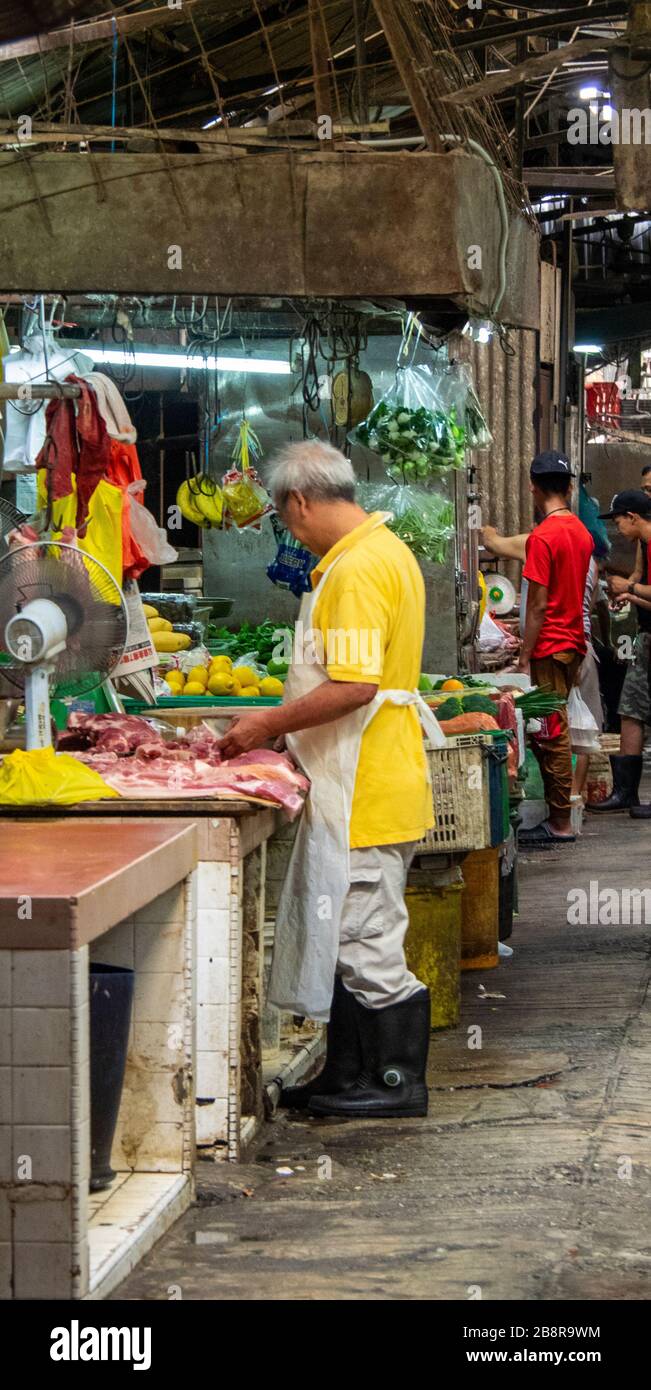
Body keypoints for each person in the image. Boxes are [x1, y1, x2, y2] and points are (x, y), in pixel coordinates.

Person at [217, 440, 438, 1119]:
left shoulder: (354, 571)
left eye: (286, 520)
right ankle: (346, 1076)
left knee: (364, 941)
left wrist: (267, 724)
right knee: (346, 936)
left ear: (299, 501)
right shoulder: (380, 550)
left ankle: (397, 1084)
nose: (293, 532)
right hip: (371, 771)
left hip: (365, 784)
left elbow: (353, 685)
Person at [515, 451, 593, 846]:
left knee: (551, 735)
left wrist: (524, 653)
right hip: (573, 643)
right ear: (569, 487)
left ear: (533, 486)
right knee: (554, 730)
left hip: (550, 645)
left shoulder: (543, 536)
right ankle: (559, 816)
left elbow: (538, 604)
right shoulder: (580, 531)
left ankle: (560, 822)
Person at [590, 489, 651, 815]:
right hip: (647, 637)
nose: (617, 528)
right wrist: (633, 598)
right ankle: (626, 791)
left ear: (633, 517)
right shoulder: (645, 545)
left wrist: (627, 587)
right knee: (630, 709)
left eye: (618, 520)